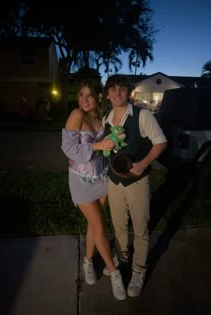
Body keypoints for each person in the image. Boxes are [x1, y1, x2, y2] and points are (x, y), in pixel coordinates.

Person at [102, 74, 167, 297]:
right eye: (113, 89)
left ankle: (139, 269)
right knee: (119, 224)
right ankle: (122, 257)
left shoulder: (142, 115)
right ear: (108, 94)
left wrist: (143, 164)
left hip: (137, 181)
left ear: (128, 92)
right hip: (114, 180)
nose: (117, 93)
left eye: (122, 89)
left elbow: (161, 142)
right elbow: (107, 148)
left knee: (140, 228)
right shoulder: (106, 119)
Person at [61, 78, 127, 301]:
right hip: (81, 179)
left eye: (89, 95)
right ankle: (115, 273)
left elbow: (107, 145)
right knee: (99, 225)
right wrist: (97, 145)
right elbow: (68, 148)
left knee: (94, 224)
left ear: (99, 97)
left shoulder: (101, 118)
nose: (84, 100)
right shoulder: (76, 115)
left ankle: (88, 260)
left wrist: (115, 140)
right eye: (81, 95)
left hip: (101, 177)